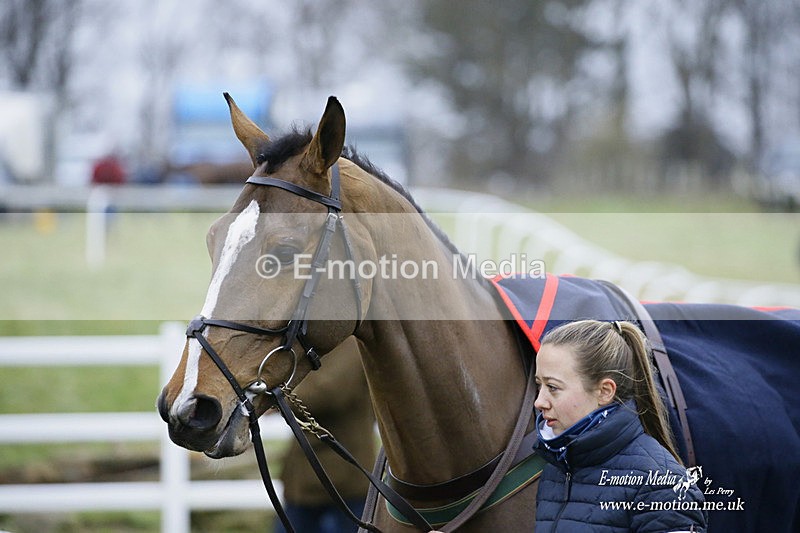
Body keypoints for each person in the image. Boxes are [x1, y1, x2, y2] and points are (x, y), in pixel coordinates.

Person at [533, 320, 707, 532]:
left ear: (605, 391)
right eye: (539, 385)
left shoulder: (664, 485)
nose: (539, 402)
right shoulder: (555, 471)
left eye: (552, 387)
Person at [274, 336, 377, 533]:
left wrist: (274, 393)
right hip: (304, 482)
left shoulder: (352, 346)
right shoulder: (310, 344)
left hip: (346, 484)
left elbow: (327, 395)